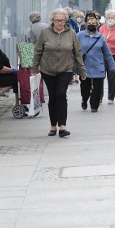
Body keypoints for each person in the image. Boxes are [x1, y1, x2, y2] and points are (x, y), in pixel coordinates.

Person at [31, 8, 86, 138]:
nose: (59, 23)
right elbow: (38, 51)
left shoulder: (71, 33)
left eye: (62, 20)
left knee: (61, 94)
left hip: (65, 69)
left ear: (65, 21)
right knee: (53, 97)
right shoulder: (45, 33)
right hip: (47, 69)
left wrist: (81, 69)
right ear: (52, 21)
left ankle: (62, 126)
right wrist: (34, 67)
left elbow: (77, 52)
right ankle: (52, 126)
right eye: (57, 20)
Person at [77, 11, 115, 112]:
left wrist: (112, 66)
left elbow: (107, 53)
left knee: (97, 88)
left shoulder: (100, 37)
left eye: (93, 23)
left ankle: (94, 105)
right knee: (85, 88)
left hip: (98, 66)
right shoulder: (79, 35)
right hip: (84, 66)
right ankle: (84, 99)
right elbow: (73, 50)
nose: (91, 25)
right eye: (89, 23)